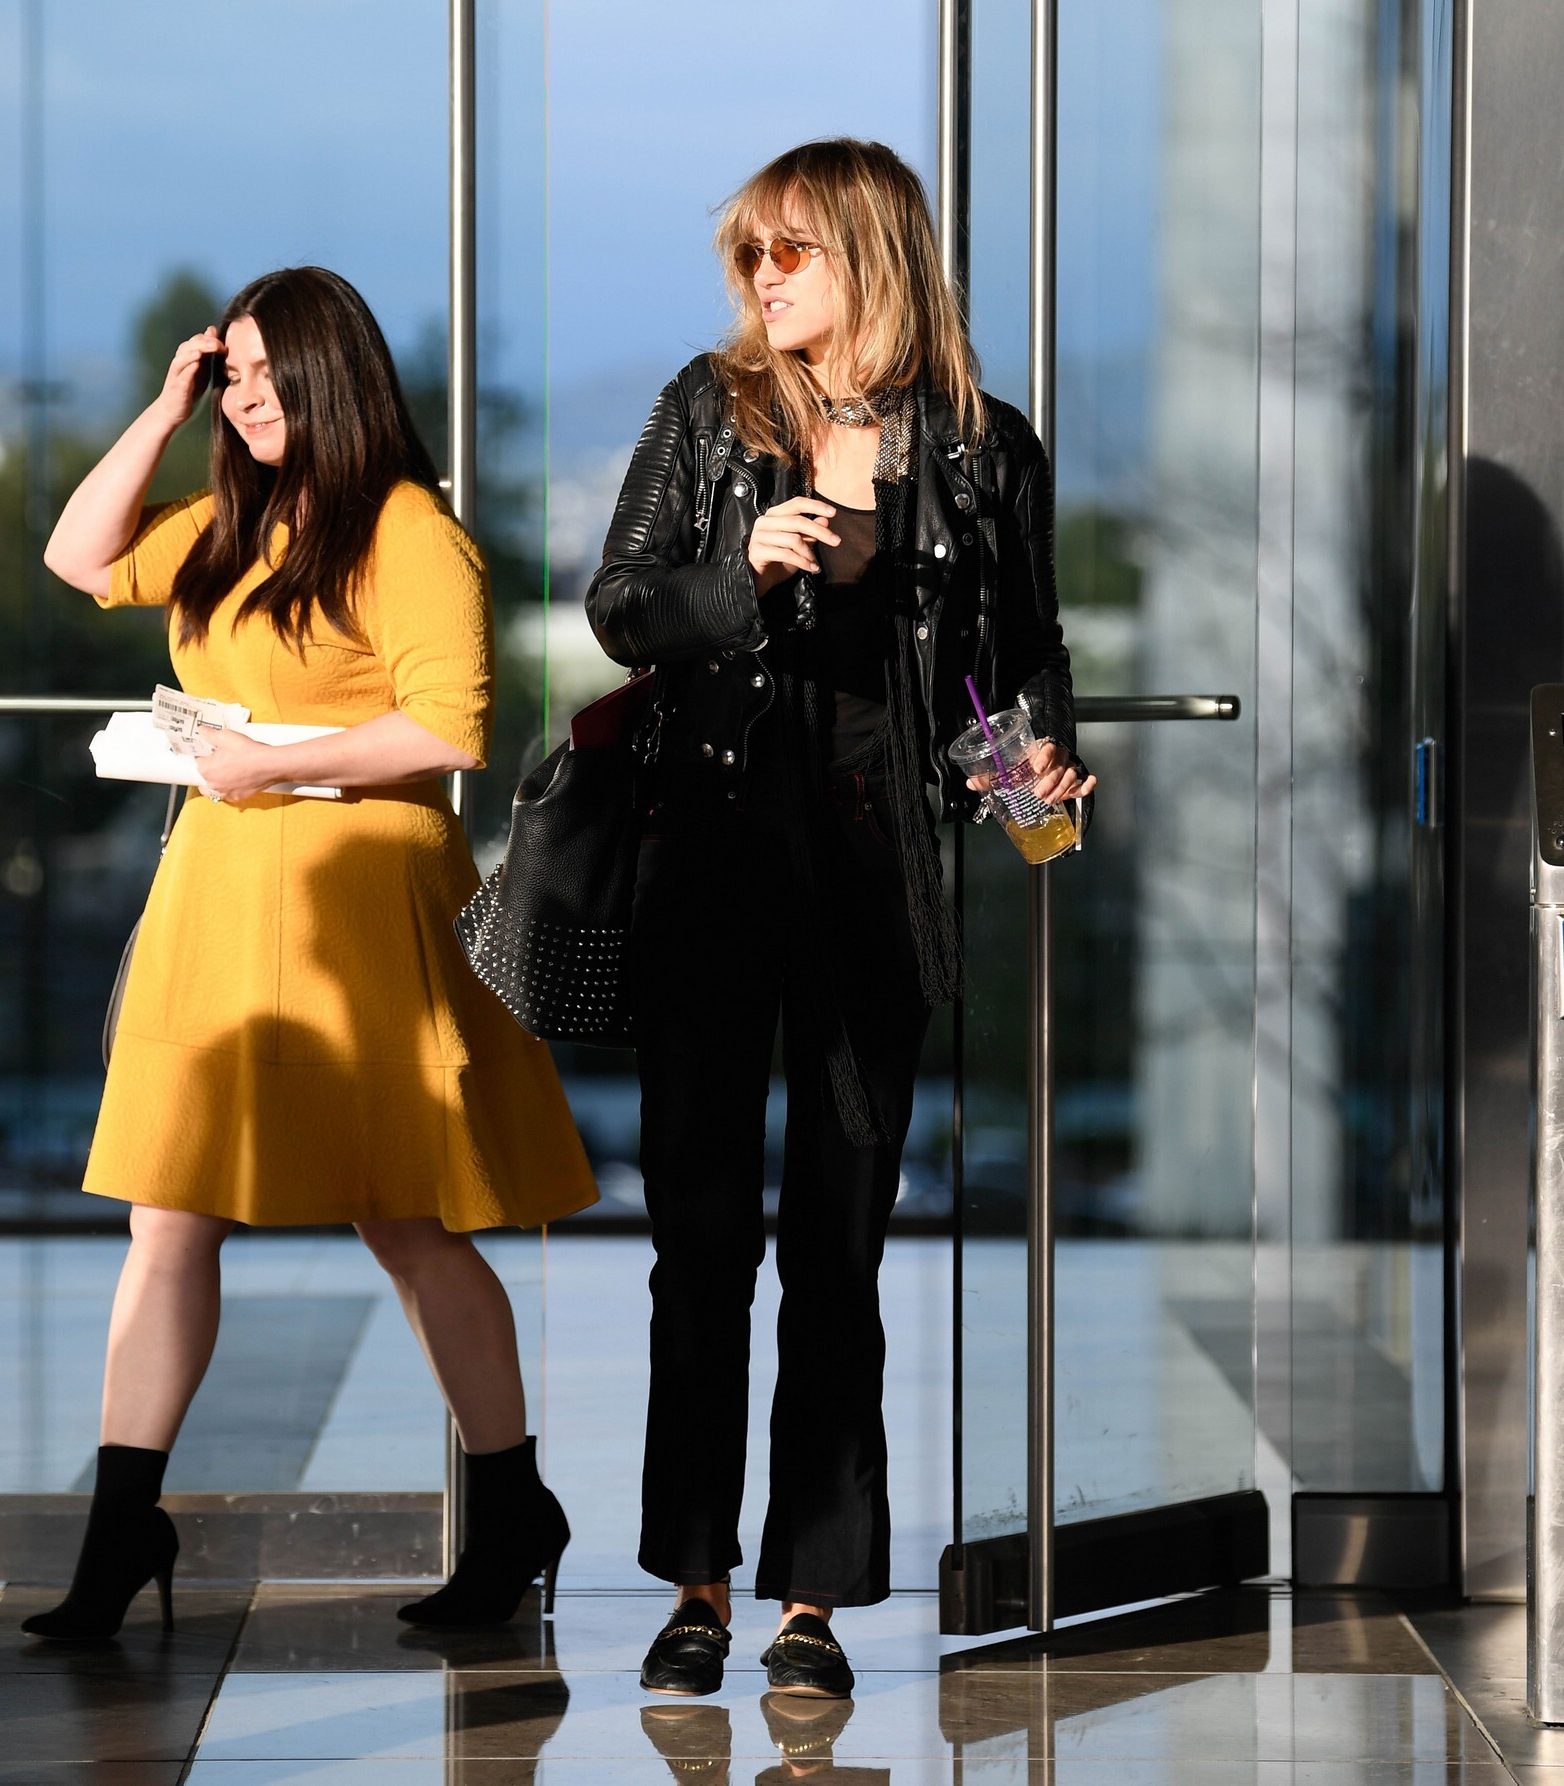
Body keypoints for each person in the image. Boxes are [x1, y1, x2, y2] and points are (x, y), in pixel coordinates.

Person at [586, 139, 1095, 1699]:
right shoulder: (708, 410)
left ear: (869, 253)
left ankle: (810, 1602)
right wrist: (736, 570)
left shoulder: (985, 449)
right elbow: (619, 604)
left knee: (839, 1250)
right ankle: (694, 1585)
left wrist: (1037, 768)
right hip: (713, 866)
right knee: (698, 1243)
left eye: (788, 250)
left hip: (878, 883)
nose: (760, 278)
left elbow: (1015, 658)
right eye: (748, 253)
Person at [27, 265, 597, 1642]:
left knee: (407, 1222)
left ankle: (512, 1506)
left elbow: (451, 728)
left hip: (362, 899)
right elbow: (77, 556)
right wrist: (164, 407)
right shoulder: (232, 524)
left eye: (270, 371)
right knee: (167, 1213)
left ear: (336, 374)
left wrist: (266, 765)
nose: (248, 395)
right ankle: (121, 1528)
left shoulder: (409, 531)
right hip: (220, 895)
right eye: (232, 371)